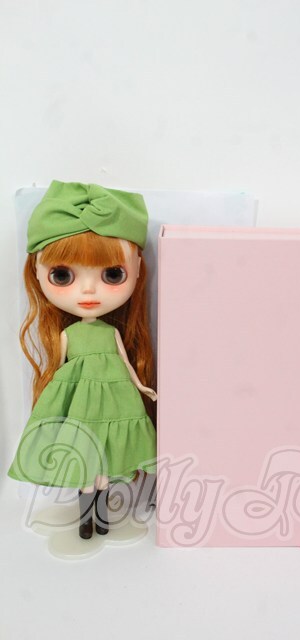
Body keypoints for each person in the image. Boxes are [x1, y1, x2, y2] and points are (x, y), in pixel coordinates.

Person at [7, 180, 157, 540]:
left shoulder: (111, 332)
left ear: (137, 269)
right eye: (63, 276)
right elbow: (58, 371)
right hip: (80, 407)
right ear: (36, 272)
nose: (88, 291)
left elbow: (125, 362)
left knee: (104, 468)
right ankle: (86, 522)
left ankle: (101, 520)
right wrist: (49, 402)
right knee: (87, 470)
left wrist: (142, 387)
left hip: (116, 401)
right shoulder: (68, 334)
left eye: (112, 274)